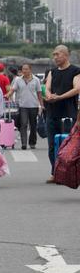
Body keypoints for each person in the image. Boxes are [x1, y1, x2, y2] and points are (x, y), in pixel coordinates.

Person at [44, 45, 80, 182]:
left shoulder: (75, 71)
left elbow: (77, 89)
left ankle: (67, 174)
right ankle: (55, 173)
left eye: (57, 54)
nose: (55, 57)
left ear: (66, 55)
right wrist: (49, 95)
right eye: (54, 55)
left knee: (68, 146)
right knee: (52, 146)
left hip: (68, 114)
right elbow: (47, 88)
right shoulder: (52, 72)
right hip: (52, 113)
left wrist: (59, 97)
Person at [6, 63, 44, 150]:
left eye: (26, 69)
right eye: (23, 69)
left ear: (30, 70)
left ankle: (32, 142)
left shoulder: (36, 80)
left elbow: (39, 93)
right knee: (23, 124)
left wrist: (41, 105)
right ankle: (24, 143)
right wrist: (8, 95)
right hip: (22, 106)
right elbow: (13, 89)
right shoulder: (18, 80)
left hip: (33, 106)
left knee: (33, 125)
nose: (25, 71)